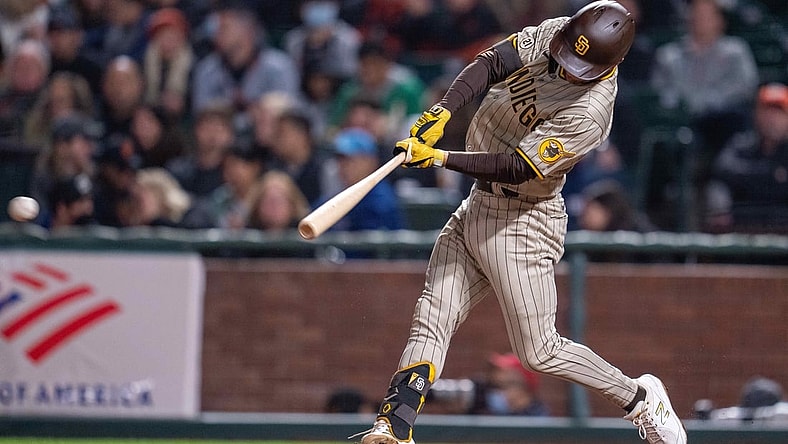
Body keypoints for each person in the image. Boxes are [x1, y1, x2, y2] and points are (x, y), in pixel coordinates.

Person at [354, 3, 687, 444]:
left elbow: (519, 167)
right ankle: (394, 427)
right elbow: (493, 61)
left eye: (580, 66)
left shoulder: (590, 111)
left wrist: (442, 158)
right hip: (478, 203)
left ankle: (640, 398)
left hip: (523, 220)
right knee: (433, 314)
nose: (568, 69)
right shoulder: (560, 34)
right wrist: (445, 110)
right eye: (569, 54)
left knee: (539, 350)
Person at [703, 82, 788, 234]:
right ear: (757, 115)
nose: (772, 119)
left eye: (779, 113)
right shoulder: (741, 144)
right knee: (717, 188)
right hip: (742, 219)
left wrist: (749, 177)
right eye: (767, 112)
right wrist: (771, 175)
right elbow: (722, 169)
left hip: (782, 219)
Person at [480, 353, 549, 416]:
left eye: (507, 385)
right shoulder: (499, 414)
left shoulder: (537, 420)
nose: (500, 393)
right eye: (499, 387)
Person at [245, 170, 310, 232]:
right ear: (257, 205)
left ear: (292, 205)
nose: (274, 207)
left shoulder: (307, 236)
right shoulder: (245, 235)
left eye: (280, 201)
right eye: (269, 202)